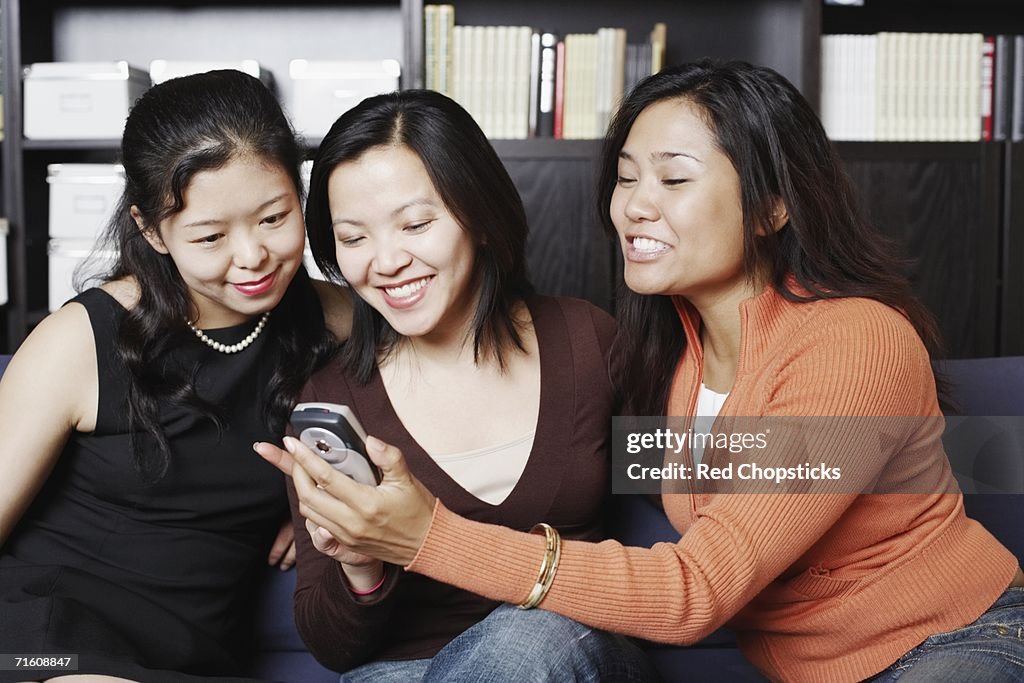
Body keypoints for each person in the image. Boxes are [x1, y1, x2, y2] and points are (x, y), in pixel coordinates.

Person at [258, 61, 1024, 683]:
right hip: (802, 669)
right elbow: (788, 461)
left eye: (674, 179)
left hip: (952, 641)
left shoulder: (853, 342)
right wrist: (339, 531)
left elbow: (700, 585)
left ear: (772, 206)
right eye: (627, 178)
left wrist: (425, 534)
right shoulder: (675, 358)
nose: (634, 207)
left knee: (526, 645)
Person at [254, 89, 656, 682]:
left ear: (480, 215)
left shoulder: (586, 343)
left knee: (523, 638)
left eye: (415, 223)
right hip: (401, 669)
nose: (385, 261)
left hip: (567, 644)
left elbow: (706, 474)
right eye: (355, 237)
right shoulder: (332, 399)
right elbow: (333, 649)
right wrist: (363, 564)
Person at [0, 70, 350, 682]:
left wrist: (328, 493)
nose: (252, 257)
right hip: (46, 638)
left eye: (273, 218)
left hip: (195, 656)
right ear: (150, 228)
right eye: (211, 236)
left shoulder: (338, 320)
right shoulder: (80, 340)